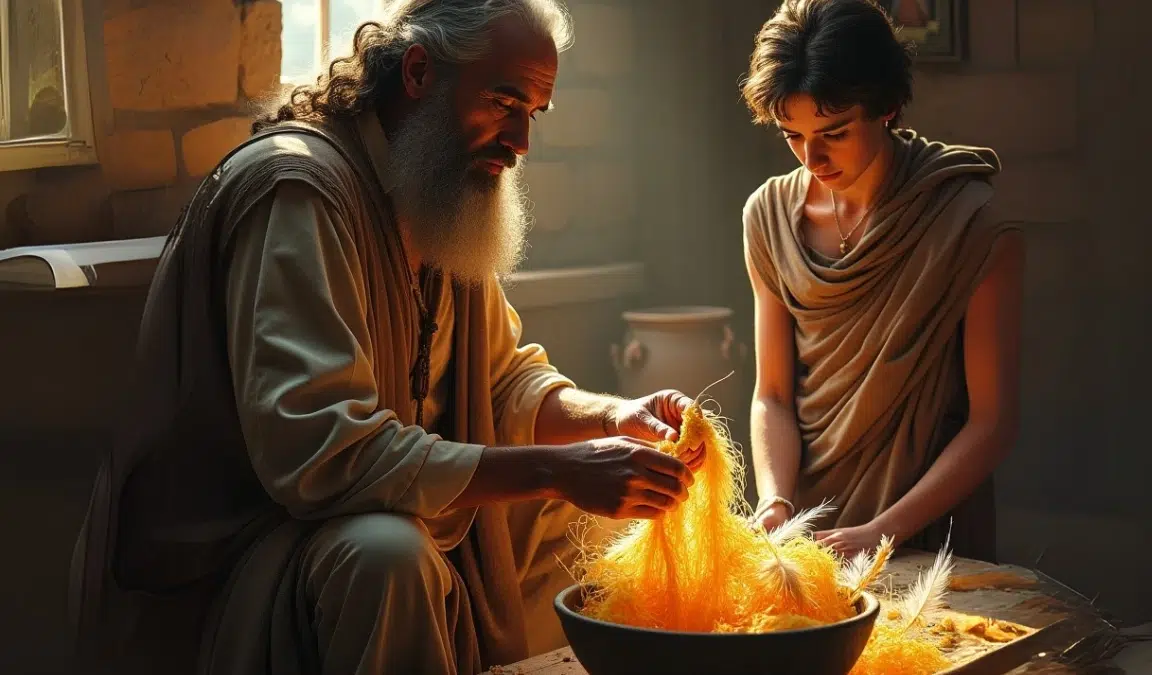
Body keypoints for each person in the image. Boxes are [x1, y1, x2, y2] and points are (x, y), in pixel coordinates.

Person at [68, 2, 705, 674]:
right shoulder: (299, 191)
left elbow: (501, 381)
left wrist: (614, 418)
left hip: (397, 515)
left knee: (606, 521)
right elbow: (321, 454)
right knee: (387, 555)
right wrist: (557, 469)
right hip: (250, 558)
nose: (519, 141)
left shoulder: (439, 193)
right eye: (503, 100)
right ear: (420, 71)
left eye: (533, 113)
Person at [739, 0, 1023, 562]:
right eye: (791, 134)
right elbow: (772, 394)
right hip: (812, 533)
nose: (811, 156)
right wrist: (773, 502)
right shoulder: (767, 216)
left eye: (834, 132)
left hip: (926, 530)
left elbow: (993, 424)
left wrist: (881, 532)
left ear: (888, 107)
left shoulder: (970, 222)